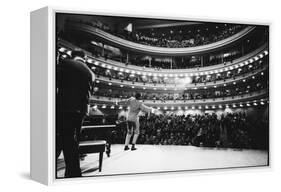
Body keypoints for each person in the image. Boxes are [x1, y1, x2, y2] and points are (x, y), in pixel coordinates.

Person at [56, 50, 95, 178]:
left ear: (72, 56)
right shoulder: (91, 73)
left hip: (65, 107)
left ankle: (73, 172)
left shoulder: (66, 63)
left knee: (66, 140)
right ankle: (72, 171)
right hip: (82, 110)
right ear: (85, 58)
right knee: (72, 140)